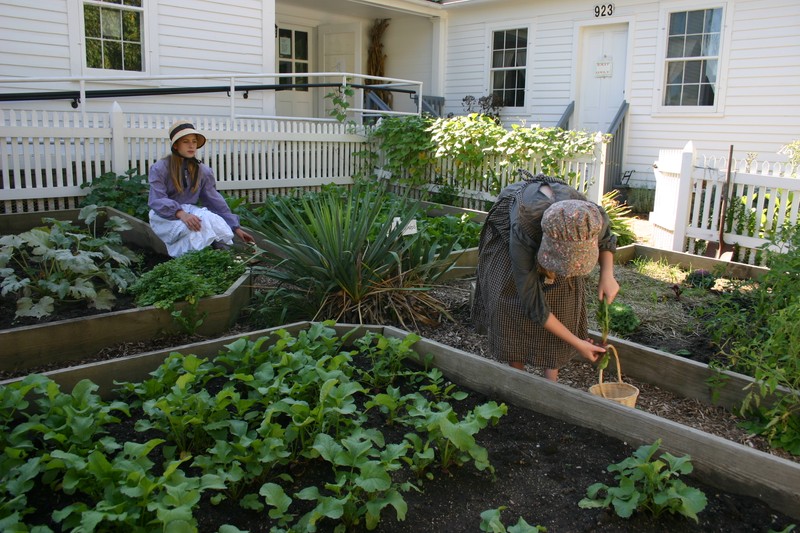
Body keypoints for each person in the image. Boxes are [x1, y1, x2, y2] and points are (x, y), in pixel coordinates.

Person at [471, 169, 620, 382]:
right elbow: (533, 304)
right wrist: (578, 343)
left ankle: (551, 381)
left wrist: (607, 275)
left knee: (563, 302)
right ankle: (518, 374)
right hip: (510, 242)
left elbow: (606, 240)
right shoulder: (523, 228)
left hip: (558, 233)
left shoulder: (589, 218)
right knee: (511, 303)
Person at [148, 120, 255, 257]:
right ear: (176, 145)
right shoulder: (160, 168)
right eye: (186, 141)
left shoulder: (202, 171)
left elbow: (214, 201)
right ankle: (193, 264)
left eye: (194, 141)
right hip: (164, 216)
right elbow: (157, 200)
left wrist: (236, 228)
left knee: (209, 219)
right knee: (195, 227)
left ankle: (230, 257)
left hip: (189, 212)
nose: (191, 145)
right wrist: (182, 214)